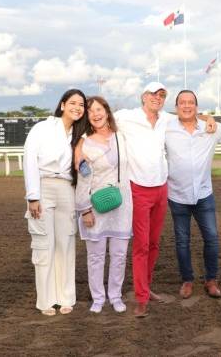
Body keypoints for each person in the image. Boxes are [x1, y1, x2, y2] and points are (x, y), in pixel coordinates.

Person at [113, 82, 216, 318]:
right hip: (138, 188)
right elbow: (100, 120)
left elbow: (187, 112)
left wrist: (208, 116)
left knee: (154, 244)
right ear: (143, 96)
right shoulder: (127, 117)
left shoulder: (165, 120)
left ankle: (146, 289)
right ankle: (141, 298)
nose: (157, 98)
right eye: (153, 94)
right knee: (141, 246)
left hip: (161, 189)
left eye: (161, 95)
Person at [165, 90, 221, 299]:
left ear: (197, 107)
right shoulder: (166, 127)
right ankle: (187, 280)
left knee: (211, 238)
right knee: (182, 241)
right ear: (176, 107)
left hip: (204, 195)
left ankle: (211, 280)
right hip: (177, 196)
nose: (186, 106)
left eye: (190, 103)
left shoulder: (211, 128)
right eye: (182, 103)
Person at [23, 88, 87, 316]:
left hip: (67, 191)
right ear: (62, 105)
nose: (77, 107)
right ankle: (46, 300)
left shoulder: (80, 134)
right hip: (43, 188)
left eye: (81, 104)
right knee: (44, 246)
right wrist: (33, 196)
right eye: (73, 102)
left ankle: (66, 297)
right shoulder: (42, 128)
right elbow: (29, 160)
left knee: (66, 244)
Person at [74, 96, 132, 314]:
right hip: (95, 206)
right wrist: (85, 209)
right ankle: (98, 298)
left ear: (107, 112)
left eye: (99, 109)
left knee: (119, 256)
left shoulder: (122, 137)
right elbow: (83, 179)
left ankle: (115, 296)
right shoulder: (85, 143)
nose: (96, 114)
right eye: (90, 111)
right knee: (96, 256)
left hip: (121, 205)